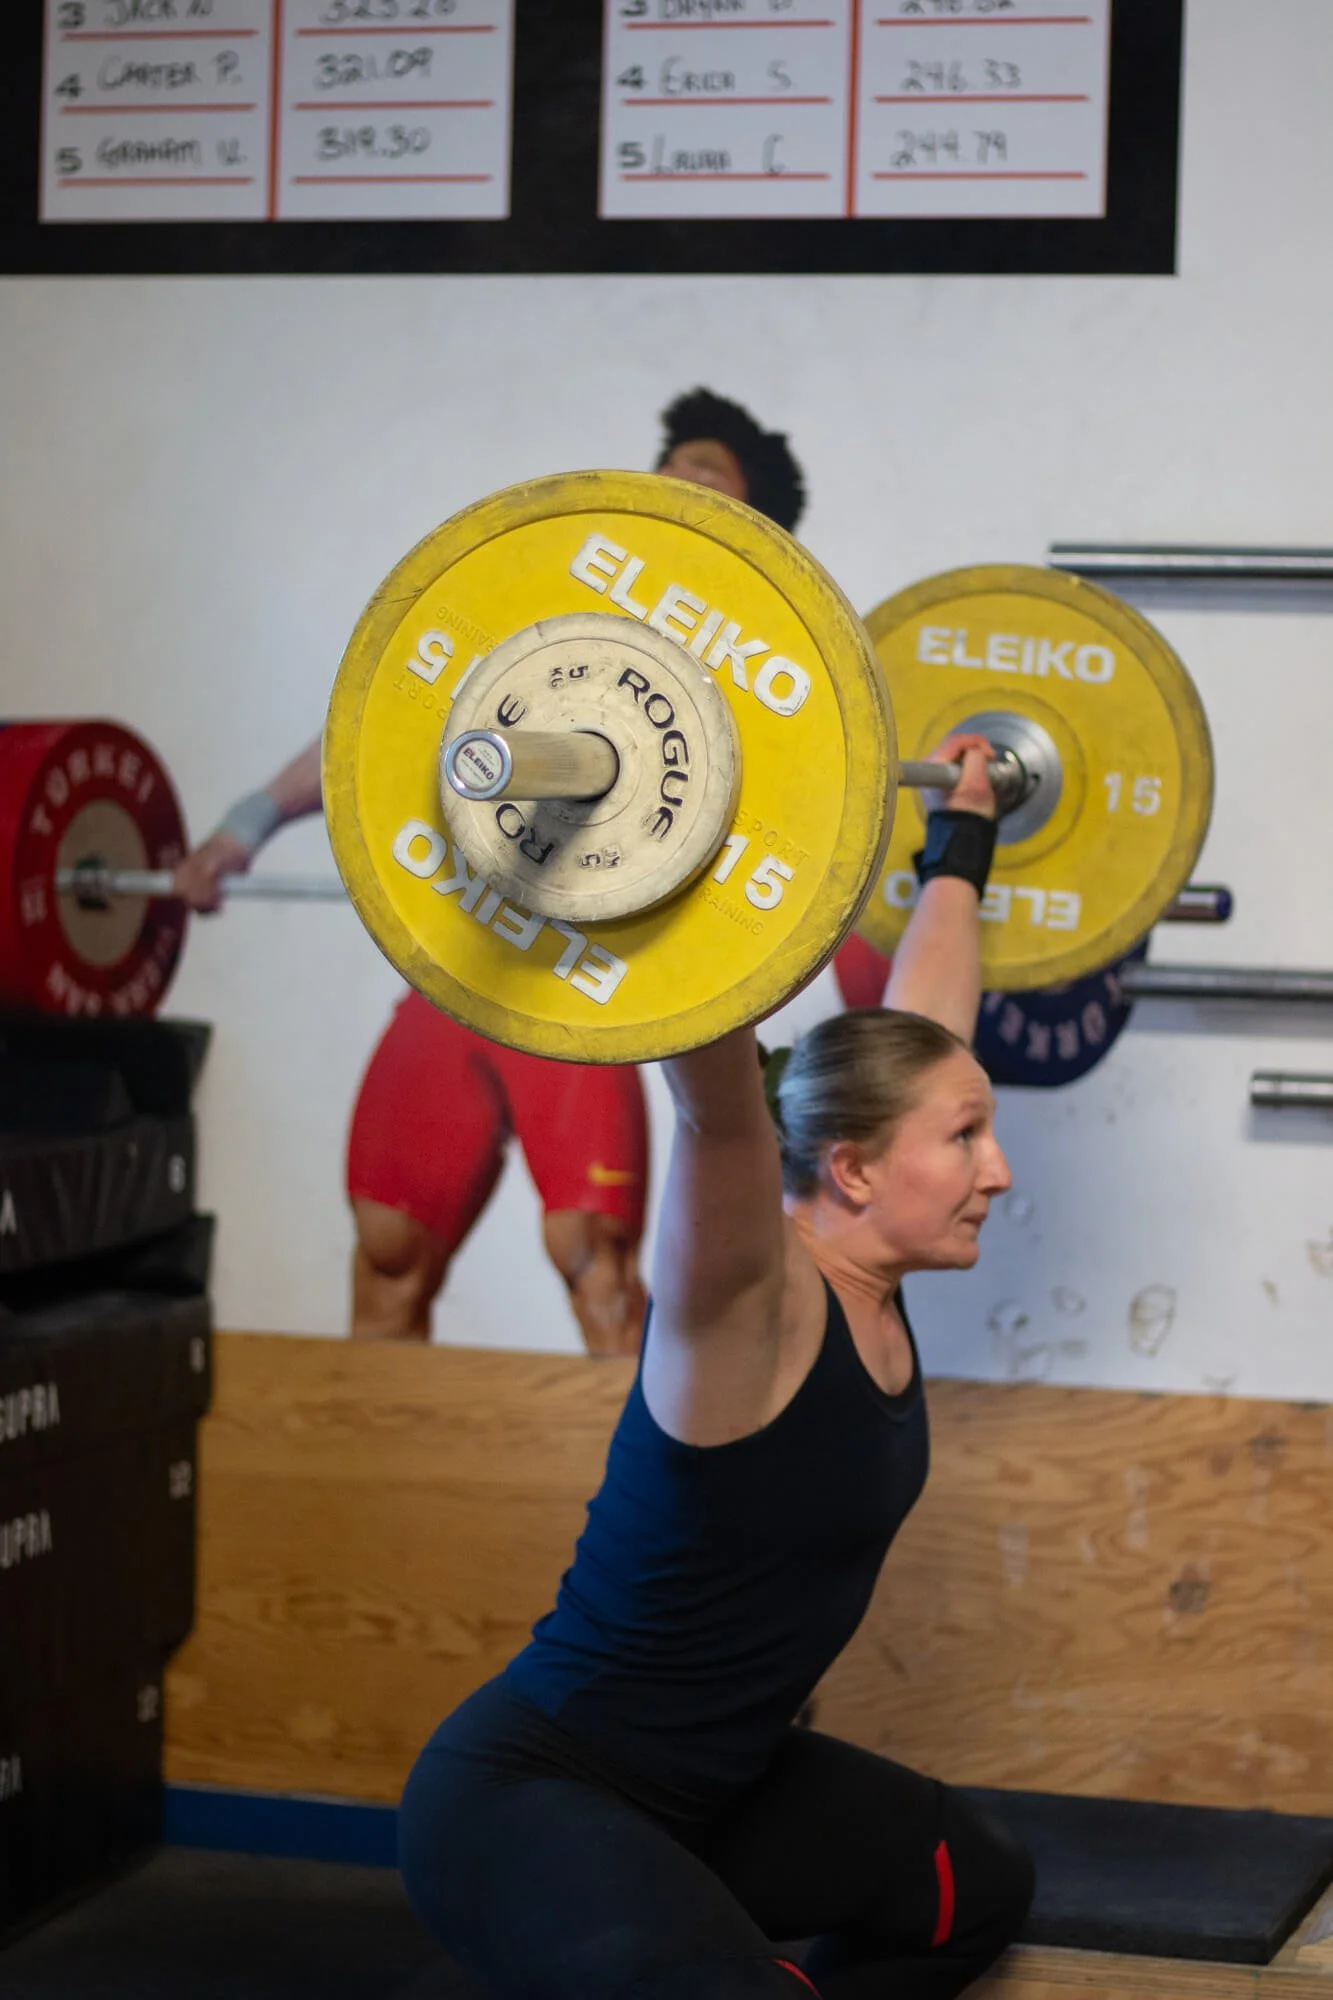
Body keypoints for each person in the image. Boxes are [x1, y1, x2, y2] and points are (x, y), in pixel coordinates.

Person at [395, 740, 1035, 1998]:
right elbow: (715, 1103)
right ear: (851, 1170)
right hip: (537, 1799)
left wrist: (964, 825)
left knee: (978, 1886)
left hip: (720, 1790)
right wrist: (656, 844)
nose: (995, 1167)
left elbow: (925, 1025)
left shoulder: (875, 1267)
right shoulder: (751, 1302)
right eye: (965, 1137)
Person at [171, 389, 807, 1351]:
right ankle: (371, 1497)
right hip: (471, 960)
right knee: (387, 1248)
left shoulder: (765, 668)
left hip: (582, 985)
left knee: (594, 1259)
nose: (677, 477)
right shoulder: (554, 612)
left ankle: (639, 1504)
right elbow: (389, 736)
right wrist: (240, 829)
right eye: (671, 460)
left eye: (707, 471)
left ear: (750, 517)